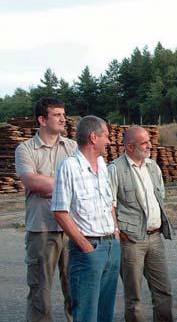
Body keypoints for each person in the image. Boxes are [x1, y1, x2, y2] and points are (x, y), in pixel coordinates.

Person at [51, 115, 120, 322]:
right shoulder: (69, 167)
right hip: (88, 250)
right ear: (93, 137)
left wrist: (115, 233)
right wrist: (84, 245)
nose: (109, 141)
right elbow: (59, 211)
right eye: (106, 136)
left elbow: (109, 204)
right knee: (86, 313)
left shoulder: (102, 164)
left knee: (105, 312)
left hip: (111, 247)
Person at [15, 97, 76, 322]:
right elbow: (33, 183)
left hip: (73, 229)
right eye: (57, 115)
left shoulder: (72, 146)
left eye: (63, 114)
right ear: (42, 119)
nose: (63, 118)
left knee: (75, 290)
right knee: (40, 293)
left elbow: (82, 182)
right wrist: (67, 183)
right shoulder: (25, 149)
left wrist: (51, 184)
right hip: (41, 229)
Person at [109, 126, 174, 322]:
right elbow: (109, 205)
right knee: (134, 296)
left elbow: (160, 197)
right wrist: (118, 232)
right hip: (131, 242)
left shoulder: (153, 166)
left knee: (163, 291)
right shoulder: (114, 169)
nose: (150, 146)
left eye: (149, 141)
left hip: (155, 237)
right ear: (130, 147)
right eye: (144, 143)